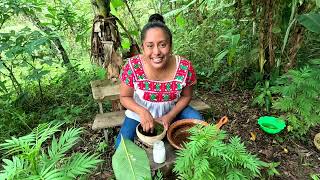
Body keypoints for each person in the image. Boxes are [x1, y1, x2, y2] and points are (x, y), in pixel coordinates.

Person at [115, 13, 203, 148]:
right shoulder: (133, 66)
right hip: (138, 113)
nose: (156, 52)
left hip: (173, 110)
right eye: (150, 45)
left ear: (171, 45)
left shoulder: (184, 67)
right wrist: (143, 112)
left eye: (162, 44)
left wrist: (170, 116)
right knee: (121, 147)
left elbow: (186, 96)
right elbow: (124, 97)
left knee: (200, 126)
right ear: (142, 47)